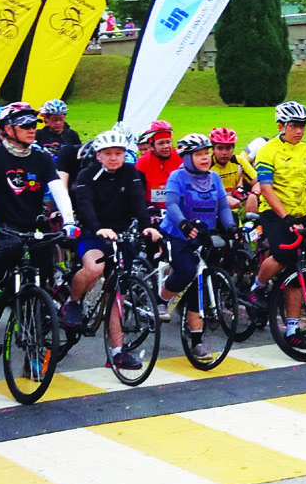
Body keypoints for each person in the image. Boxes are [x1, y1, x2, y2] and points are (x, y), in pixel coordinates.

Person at [0, 103, 76, 330]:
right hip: (3, 226)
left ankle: (41, 307)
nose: (32, 129)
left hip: (34, 224)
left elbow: (58, 189)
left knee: (45, 264)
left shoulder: (41, 157)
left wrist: (69, 220)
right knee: (9, 250)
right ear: (7, 129)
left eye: (34, 124)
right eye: (25, 125)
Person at [66, 129, 162, 370]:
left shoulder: (130, 172)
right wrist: (98, 228)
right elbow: (84, 205)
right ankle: (73, 301)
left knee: (117, 294)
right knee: (93, 268)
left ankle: (117, 352)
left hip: (121, 235)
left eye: (118, 153)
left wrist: (147, 226)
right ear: (99, 155)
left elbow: (138, 201)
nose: (113, 158)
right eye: (108, 153)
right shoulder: (87, 175)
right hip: (94, 232)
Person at [247, 101, 306, 351]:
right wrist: (285, 216)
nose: (299, 131)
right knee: (284, 254)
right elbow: (266, 188)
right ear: (281, 126)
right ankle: (256, 287)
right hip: (274, 212)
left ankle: (292, 330)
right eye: (294, 126)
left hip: (300, 213)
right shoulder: (268, 151)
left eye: (302, 126)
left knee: (296, 270)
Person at [155, 134, 236, 359]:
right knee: (187, 271)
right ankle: (161, 300)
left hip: (203, 236)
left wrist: (230, 226)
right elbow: (171, 205)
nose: (205, 158)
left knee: (198, 285)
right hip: (177, 235)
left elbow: (223, 206)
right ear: (187, 157)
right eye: (198, 154)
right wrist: (183, 223)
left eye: (206, 153)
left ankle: (197, 342)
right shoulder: (177, 177)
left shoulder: (214, 178)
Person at [135, 119, 181, 212]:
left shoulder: (181, 158)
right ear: (152, 146)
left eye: (168, 142)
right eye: (161, 143)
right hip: (153, 210)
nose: (166, 146)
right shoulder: (143, 162)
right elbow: (138, 192)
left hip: (179, 208)